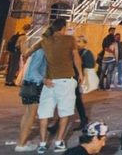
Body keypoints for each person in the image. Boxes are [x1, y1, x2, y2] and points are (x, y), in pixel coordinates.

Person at [35, 18, 82, 153]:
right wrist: (80, 73)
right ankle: (59, 142)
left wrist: (42, 78)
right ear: (63, 27)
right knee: (64, 113)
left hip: (49, 82)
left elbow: (29, 53)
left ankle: (42, 144)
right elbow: (76, 57)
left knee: (44, 114)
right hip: (65, 81)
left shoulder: (45, 41)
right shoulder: (69, 39)